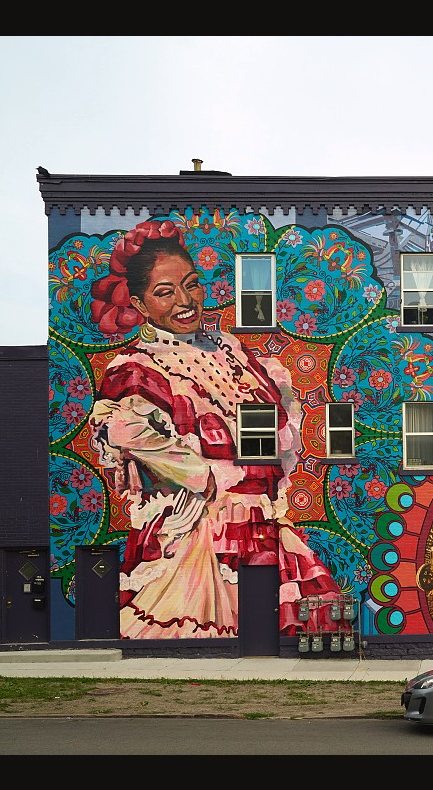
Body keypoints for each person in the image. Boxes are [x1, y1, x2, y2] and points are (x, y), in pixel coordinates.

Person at [86, 219, 341, 638]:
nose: (185, 301)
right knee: (205, 628)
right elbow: (126, 432)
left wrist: (263, 477)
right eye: (165, 292)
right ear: (140, 304)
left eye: (192, 285)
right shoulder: (136, 369)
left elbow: (278, 421)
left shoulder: (232, 349)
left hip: (261, 522)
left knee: (274, 626)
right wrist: (206, 477)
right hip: (197, 535)